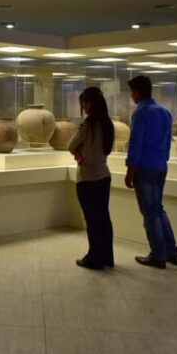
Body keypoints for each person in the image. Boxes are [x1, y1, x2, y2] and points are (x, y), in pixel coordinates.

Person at [124, 75, 177, 269]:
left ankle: (158, 254)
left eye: (132, 92)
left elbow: (136, 144)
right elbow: (167, 142)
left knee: (150, 213)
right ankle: (171, 251)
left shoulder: (141, 113)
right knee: (158, 208)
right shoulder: (164, 112)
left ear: (138, 92)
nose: (131, 96)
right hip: (160, 166)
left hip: (144, 167)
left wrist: (130, 169)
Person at [68, 86, 115, 270]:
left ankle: (94, 257)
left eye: (84, 103)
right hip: (104, 174)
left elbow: (71, 145)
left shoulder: (88, 125)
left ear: (89, 103)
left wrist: (81, 152)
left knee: (92, 219)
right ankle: (106, 257)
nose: (84, 106)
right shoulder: (107, 123)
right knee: (104, 218)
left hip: (88, 177)